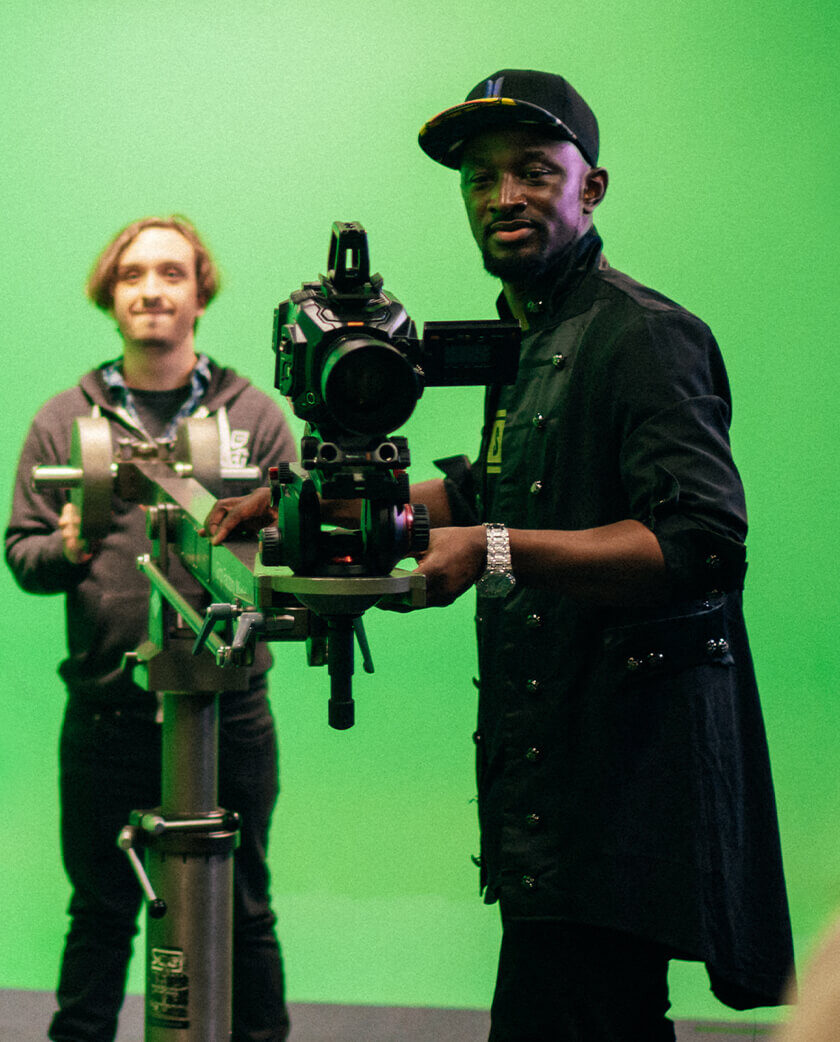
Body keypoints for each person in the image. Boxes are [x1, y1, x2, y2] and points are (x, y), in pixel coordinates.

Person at [204, 71, 795, 1040]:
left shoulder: (646, 337)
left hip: (620, 773)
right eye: (481, 178)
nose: (502, 196)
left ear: (589, 186)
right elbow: (499, 484)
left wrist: (487, 550)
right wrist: (310, 494)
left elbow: (698, 544)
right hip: (549, 773)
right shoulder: (534, 332)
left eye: (532, 171)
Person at [5, 215, 296, 1042]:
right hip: (108, 713)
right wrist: (63, 546)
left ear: (200, 290)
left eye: (170, 272)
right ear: (111, 293)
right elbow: (22, 555)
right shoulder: (66, 417)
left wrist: (247, 550)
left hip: (227, 712)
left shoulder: (255, 417)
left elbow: (294, 542)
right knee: (100, 912)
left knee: (244, 910)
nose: (151, 289)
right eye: (133, 274)